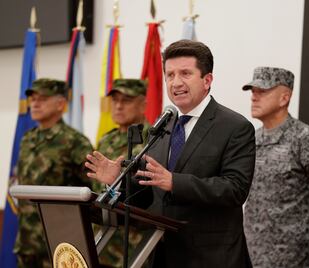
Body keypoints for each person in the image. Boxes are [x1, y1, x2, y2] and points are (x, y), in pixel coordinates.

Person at [86, 39, 256, 267]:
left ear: (207, 80)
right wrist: (117, 182)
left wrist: (174, 181)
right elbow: (149, 190)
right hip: (160, 253)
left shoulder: (234, 127)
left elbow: (235, 189)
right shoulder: (163, 125)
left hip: (210, 257)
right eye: (170, 75)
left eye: (185, 73)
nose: (176, 82)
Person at [242, 67, 309, 268]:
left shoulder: (305, 138)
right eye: (253, 91)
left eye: (262, 91)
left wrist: (307, 227)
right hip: (253, 251)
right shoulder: (252, 139)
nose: (254, 98)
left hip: (293, 255)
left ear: (284, 98)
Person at [14, 78, 93, 268]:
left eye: (42, 98)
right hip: (27, 240)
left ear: (60, 104)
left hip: (59, 243)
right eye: (33, 99)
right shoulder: (28, 139)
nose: (35, 103)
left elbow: (91, 191)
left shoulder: (75, 142)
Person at [93, 78, 151, 267]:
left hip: (133, 242)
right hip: (102, 241)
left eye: (126, 100)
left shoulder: (154, 139)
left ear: (143, 104)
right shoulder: (106, 140)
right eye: (115, 100)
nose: (118, 106)